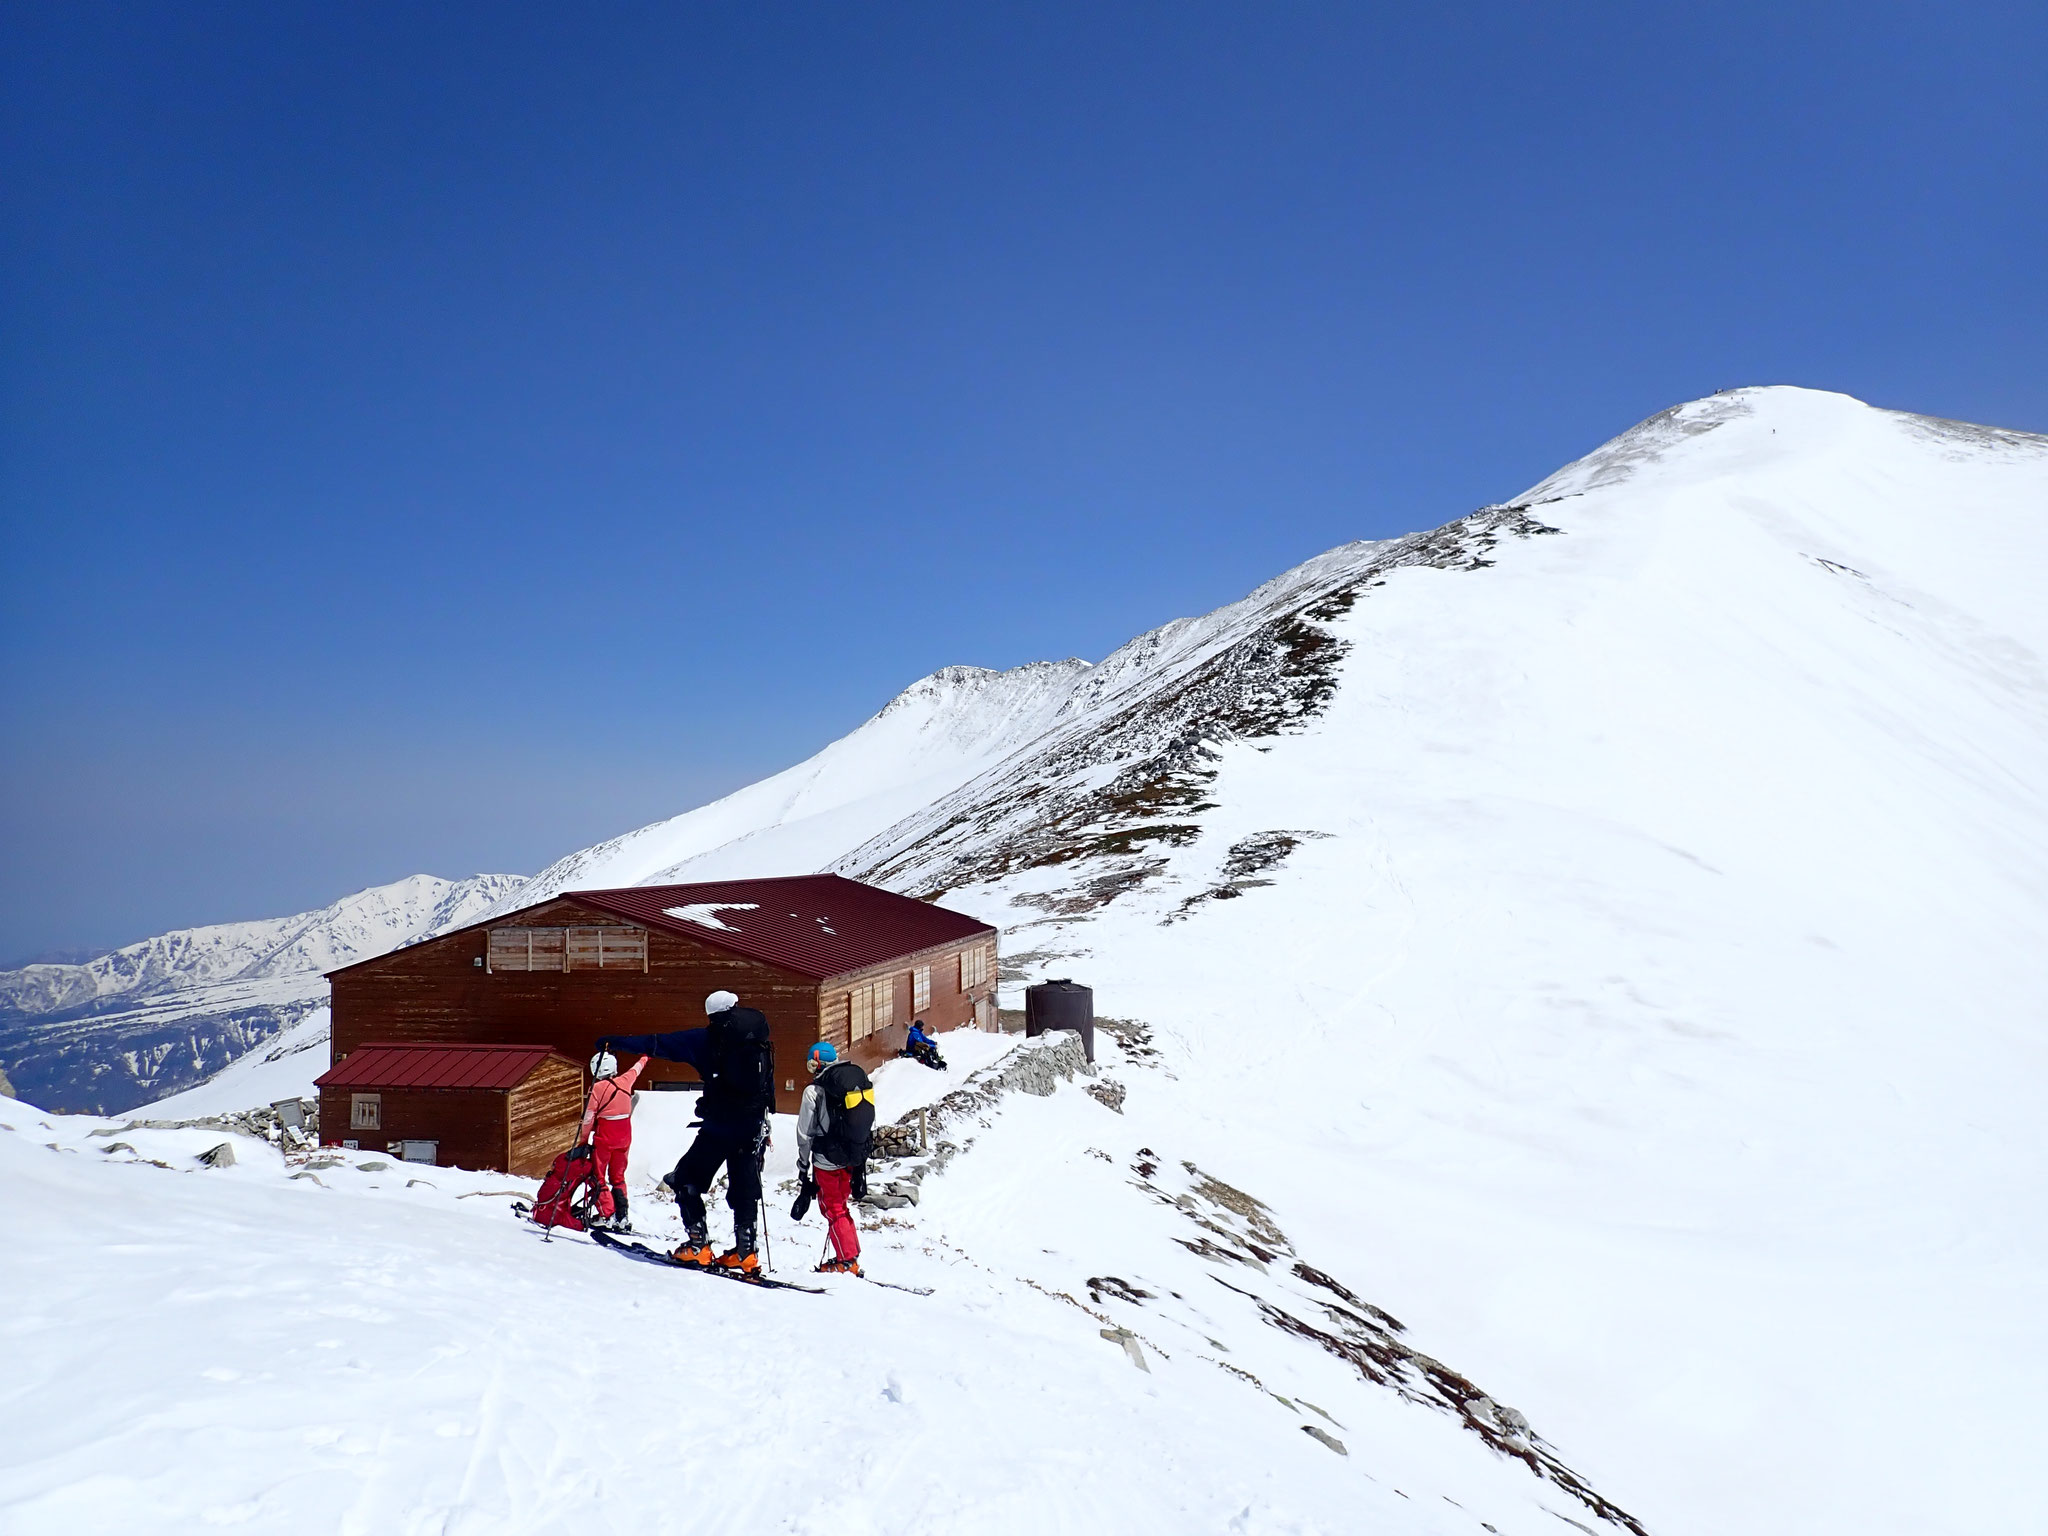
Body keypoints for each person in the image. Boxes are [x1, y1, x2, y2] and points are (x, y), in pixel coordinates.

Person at [602, 990, 775, 1274]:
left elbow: (659, 1043)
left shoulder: (705, 1039)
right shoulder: (758, 1040)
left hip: (719, 1126)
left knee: (685, 1179)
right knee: (744, 1188)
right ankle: (746, 1252)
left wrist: (616, 1042)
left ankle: (698, 1246)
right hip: (751, 1127)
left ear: (710, 1014)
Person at [795, 1041, 874, 1275]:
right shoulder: (854, 1082)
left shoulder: (814, 1091)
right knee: (841, 1207)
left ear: (816, 1063)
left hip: (826, 1160)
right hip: (851, 1158)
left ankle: (846, 1261)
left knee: (833, 1209)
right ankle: (850, 1254)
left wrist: (802, 1166)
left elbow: (804, 1133)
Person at [579, 1048, 649, 1231]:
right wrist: (646, 1055)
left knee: (597, 1176)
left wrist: (583, 1141)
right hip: (624, 1137)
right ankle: (622, 1216)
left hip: (605, 1138)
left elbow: (588, 1118)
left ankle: (607, 1214)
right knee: (618, 1177)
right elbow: (637, 1068)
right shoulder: (626, 1080)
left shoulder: (597, 1088)